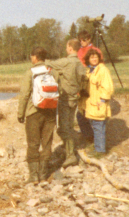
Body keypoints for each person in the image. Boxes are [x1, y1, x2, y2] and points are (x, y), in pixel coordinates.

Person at [17, 47, 58, 183]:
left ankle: (33, 176)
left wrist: (20, 113)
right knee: (46, 144)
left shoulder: (30, 72)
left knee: (33, 143)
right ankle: (43, 175)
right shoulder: (52, 71)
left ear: (34, 57)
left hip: (33, 112)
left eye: (31, 56)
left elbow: (24, 95)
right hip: (50, 112)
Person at [46, 38, 89, 167]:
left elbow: (49, 64)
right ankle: (67, 150)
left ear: (70, 48)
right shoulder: (79, 64)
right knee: (69, 126)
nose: (65, 49)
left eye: (66, 47)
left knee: (63, 129)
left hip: (66, 99)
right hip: (75, 99)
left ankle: (70, 155)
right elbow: (84, 80)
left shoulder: (66, 62)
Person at [83, 48, 114, 154]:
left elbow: (107, 86)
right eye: (92, 57)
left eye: (96, 56)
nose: (94, 59)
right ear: (88, 58)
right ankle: (97, 147)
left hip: (98, 103)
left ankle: (99, 151)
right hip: (91, 103)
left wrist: (103, 100)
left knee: (98, 126)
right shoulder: (89, 70)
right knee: (96, 126)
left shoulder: (102, 70)